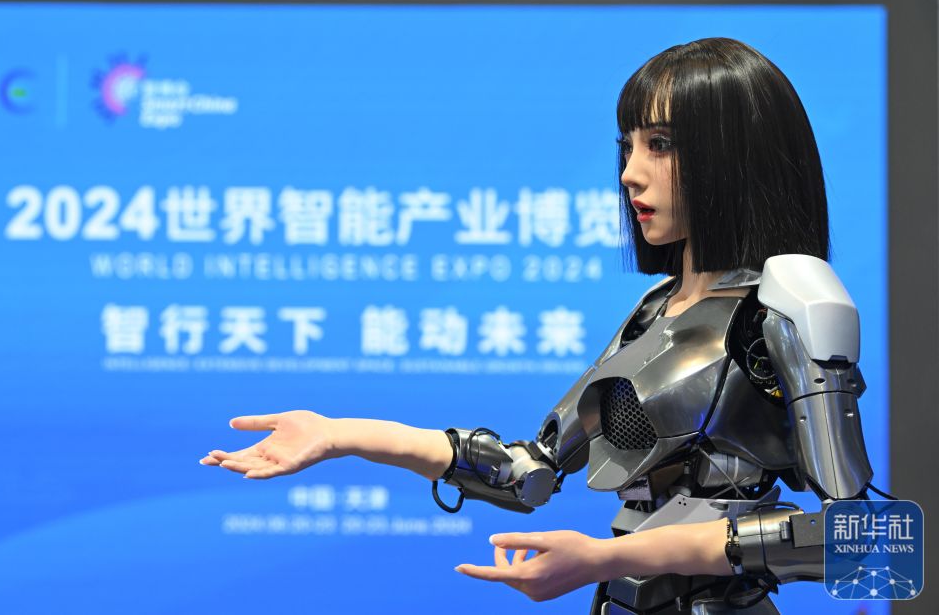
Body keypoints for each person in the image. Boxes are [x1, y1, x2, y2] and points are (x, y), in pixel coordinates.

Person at [200, 38, 879, 614]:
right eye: (628, 146)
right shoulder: (654, 308)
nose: (630, 174)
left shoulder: (790, 305)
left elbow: (862, 538)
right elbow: (529, 470)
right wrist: (339, 435)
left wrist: (611, 556)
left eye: (662, 145)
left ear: (733, 155)